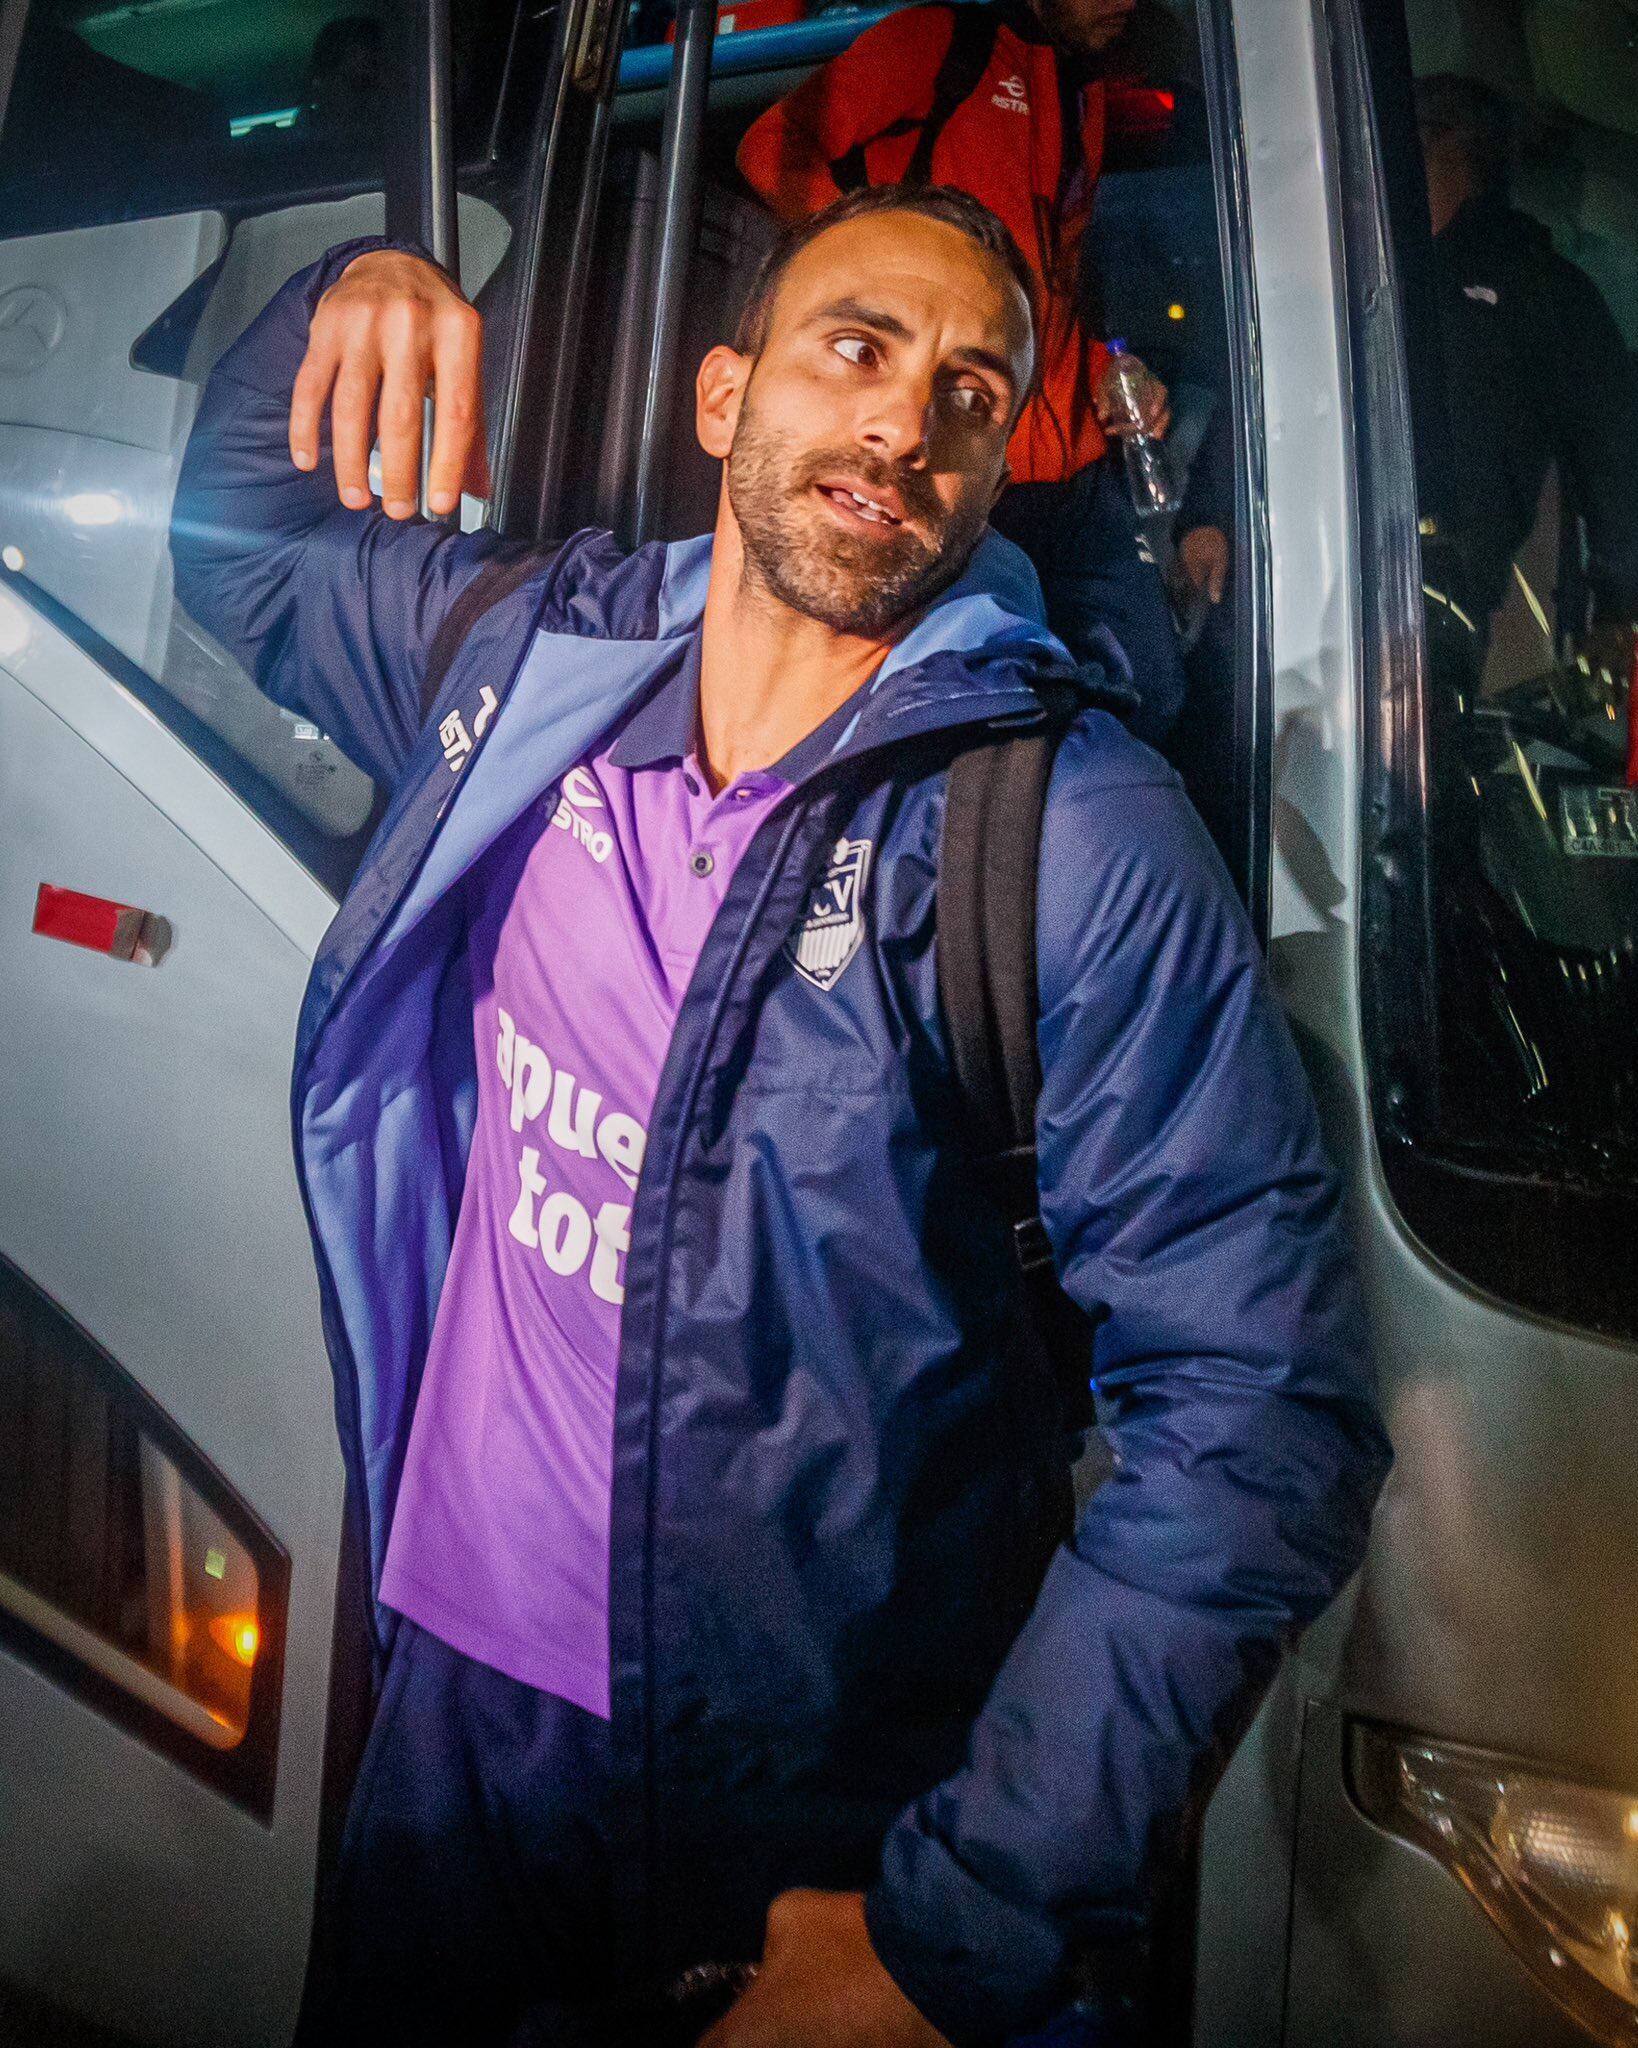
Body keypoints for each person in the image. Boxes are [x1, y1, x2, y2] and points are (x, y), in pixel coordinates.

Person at [170, 184, 1389, 2047]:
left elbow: (1259, 1408)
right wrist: (351, 288)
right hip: (447, 1732)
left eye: (972, 392)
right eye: (858, 348)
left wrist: (955, 1920)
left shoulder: (1061, 834)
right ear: (720, 399)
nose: (908, 419)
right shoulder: (533, 675)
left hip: (799, 1804)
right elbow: (240, 549)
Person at [737, 0, 1191, 742]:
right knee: (980, 714)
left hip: (1077, 464)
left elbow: (1064, 275)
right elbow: (770, 150)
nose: (1128, 5)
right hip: (963, 462)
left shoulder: (1090, 97)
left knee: (1151, 695)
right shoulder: (940, 38)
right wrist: (876, 282)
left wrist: (1112, 364)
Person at [1415, 73, 1638, 639]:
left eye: (1422, 140)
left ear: (1470, 157)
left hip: (1473, 615)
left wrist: (1616, 607)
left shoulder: (1547, 295)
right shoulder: (1376, 286)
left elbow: (1610, 454)